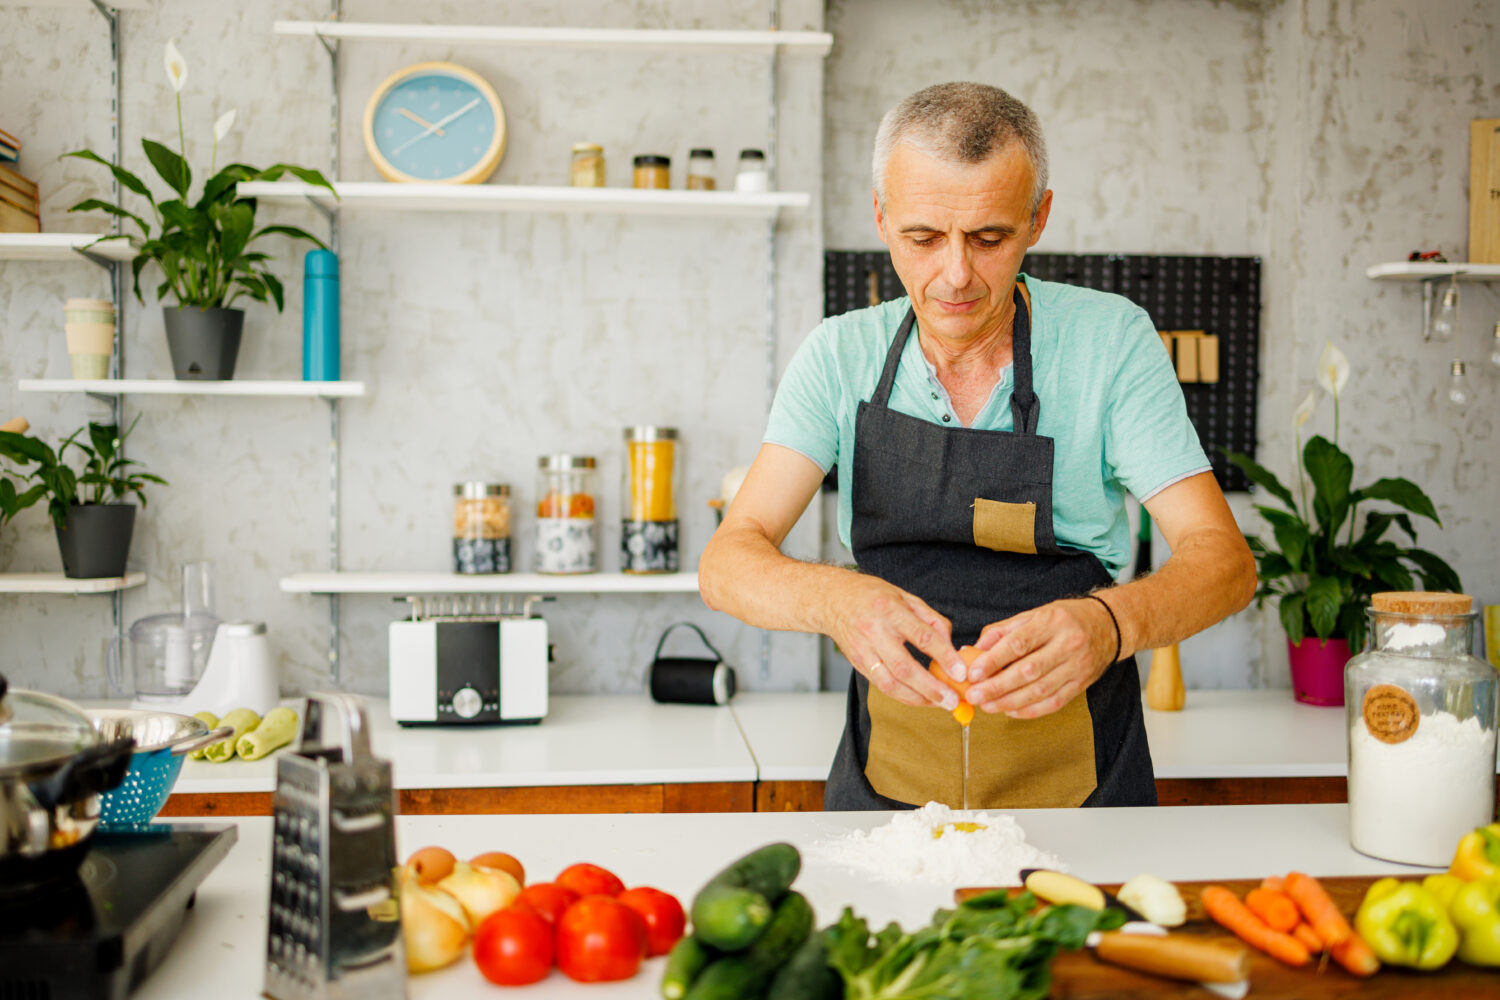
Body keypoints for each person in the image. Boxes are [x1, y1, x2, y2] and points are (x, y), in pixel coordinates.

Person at [699, 82, 1256, 810]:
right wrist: (834, 599)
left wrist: (1110, 623)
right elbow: (727, 562)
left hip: (1082, 778)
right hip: (886, 774)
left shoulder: (1111, 343)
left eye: (989, 238)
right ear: (880, 216)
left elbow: (1226, 564)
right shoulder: (839, 355)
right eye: (923, 238)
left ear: (1038, 219)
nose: (956, 274)